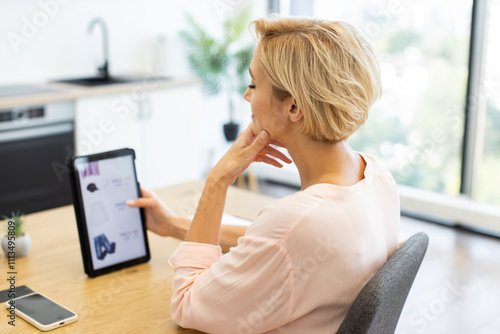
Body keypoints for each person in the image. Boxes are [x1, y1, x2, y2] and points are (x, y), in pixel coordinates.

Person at [127, 15, 400, 333]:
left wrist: (218, 180)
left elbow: (186, 304)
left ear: (294, 108)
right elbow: (272, 247)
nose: (246, 96)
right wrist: (173, 225)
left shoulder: (299, 224)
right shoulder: (378, 179)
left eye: (254, 85)